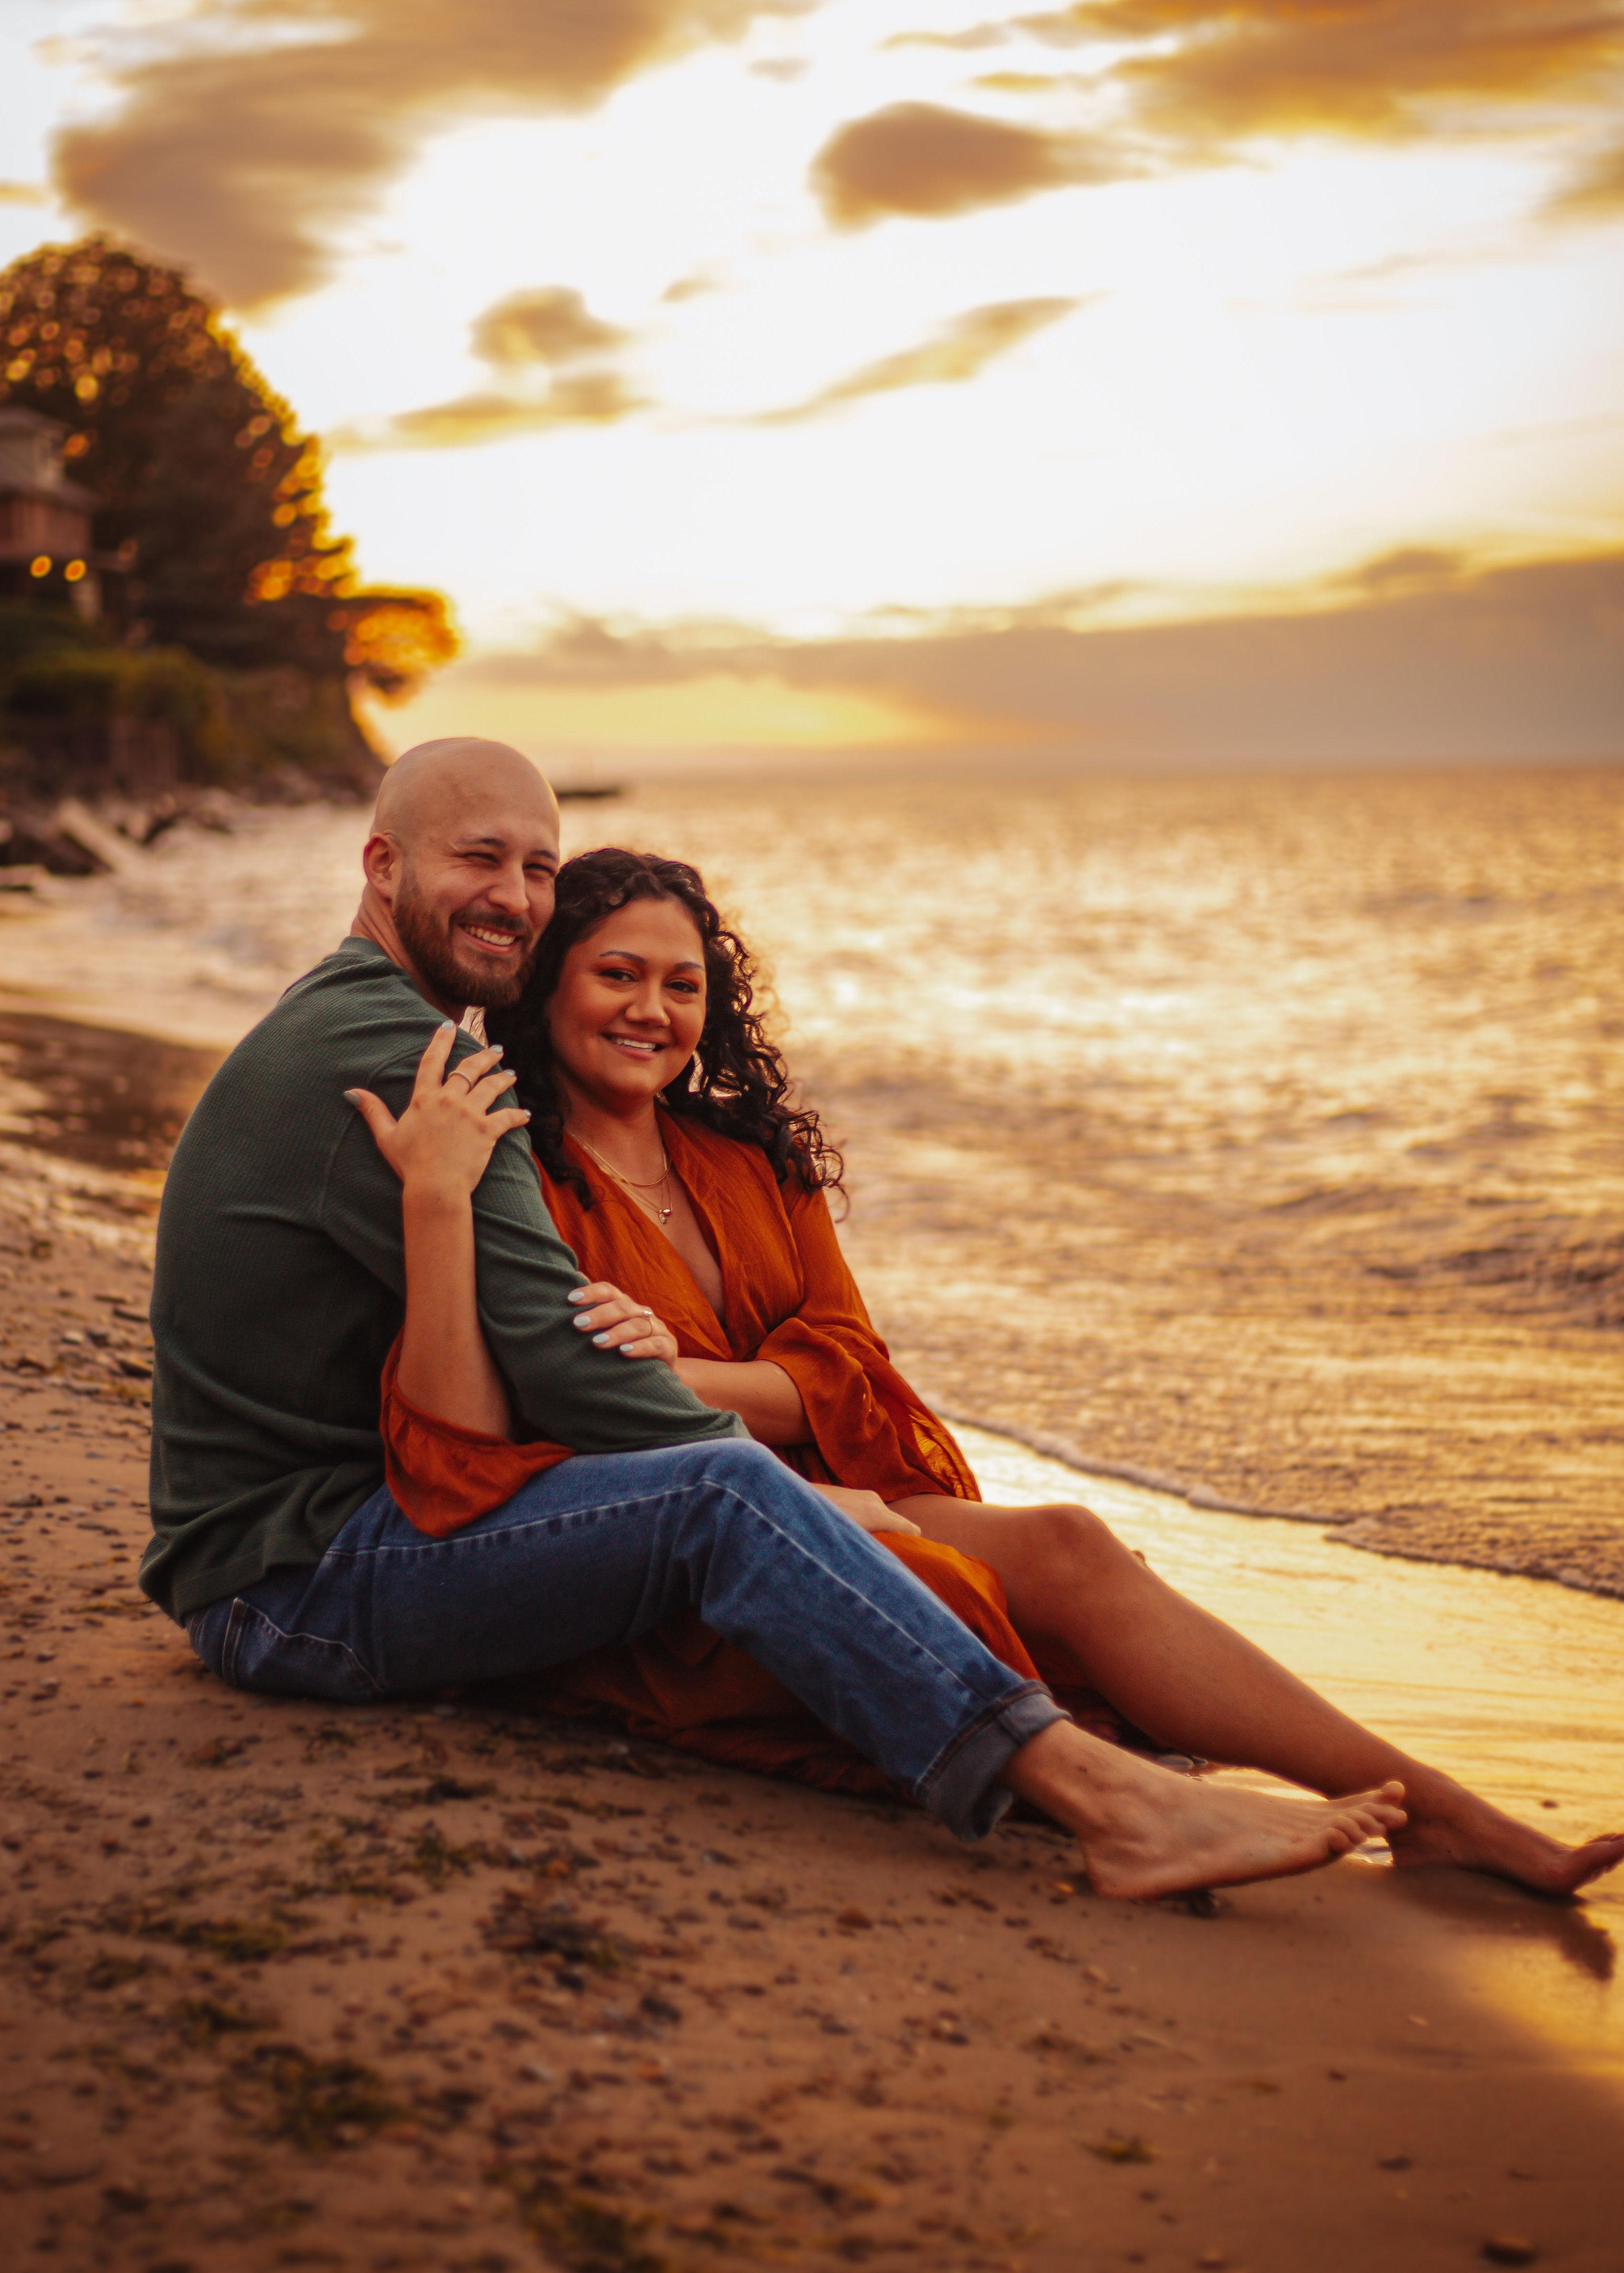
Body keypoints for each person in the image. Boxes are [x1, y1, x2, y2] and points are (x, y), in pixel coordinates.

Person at [143, 738, 1405, 1899]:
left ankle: (1302, 1789)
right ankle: (1108, 1802)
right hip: (289, 1585)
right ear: (382, 862)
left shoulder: (393, 1024)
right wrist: (809, 1494)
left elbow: (593, 1369)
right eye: (480, 858)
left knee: (817, 1512)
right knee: (724, 1495)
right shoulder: (387, 1041)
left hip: (334, 1539)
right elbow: (557, 1367)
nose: (516, 896)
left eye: (537, 865)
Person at [356, 842, 1624, 1900]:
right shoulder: (523, 1171)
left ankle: (1442, 1808)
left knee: (1068, 1537)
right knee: (938, 1569)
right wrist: (731, 1405)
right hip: (693, 1544)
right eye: (614, 974)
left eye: (681, 984)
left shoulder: (749, 1157)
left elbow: (847, 1359)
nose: (651, 1009)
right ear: (547, 989)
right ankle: (1111, 1795)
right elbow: (553, 1397)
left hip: (815, 1474)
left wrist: (701, 1376)